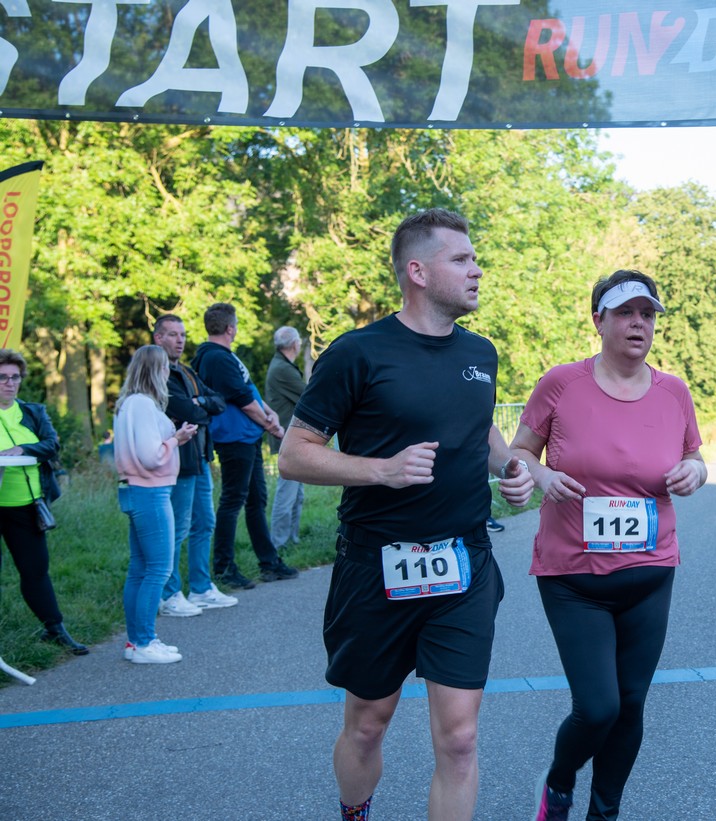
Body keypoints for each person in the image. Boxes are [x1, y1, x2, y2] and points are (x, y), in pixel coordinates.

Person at [278, 208, 533, 821]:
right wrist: (380, 469)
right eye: (461, 260)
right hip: (376, 564)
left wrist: (509, 468)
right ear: (417, 271)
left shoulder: (481, 352)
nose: (477, 270)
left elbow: (479, 427)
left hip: (463, 564)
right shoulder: (358, 353)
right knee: (368, 724)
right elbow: (293, 455)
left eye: (475, 259)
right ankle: (355, 812)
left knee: (461, 737)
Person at [509, 270, 707, 821]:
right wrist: (542, 478)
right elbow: (519, 452)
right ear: (599, 321)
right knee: (598, 708)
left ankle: (604, 812)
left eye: (647, 314)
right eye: (625, 313)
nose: (638, 324)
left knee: (631, 705)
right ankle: (559, 779)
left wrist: (697, 471)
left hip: (650, 571)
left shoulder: (674, 391)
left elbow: (694, 455)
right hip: (574, 576)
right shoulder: (561, 384)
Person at [192, 303, 298, 589]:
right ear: (229, 328)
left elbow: (248, 389)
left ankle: (269, 562)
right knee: (232, 500)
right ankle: (224, 567)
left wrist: (268, 412)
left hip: (248, 437)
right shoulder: (215, 358)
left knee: (255, 501)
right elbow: (240, 398)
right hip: (234, 438)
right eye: (236, 324)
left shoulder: (225, 356)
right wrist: (271, 424)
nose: (236, 328)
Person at [113, 345, 201, 664]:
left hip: (136, 490)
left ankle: (137, 641)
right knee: (158, 568)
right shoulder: (143, 405)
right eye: (164, 367)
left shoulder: (129, 404)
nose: (167, 373)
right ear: (154, 371)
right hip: (150, 491)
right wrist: (176, 439)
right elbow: (150, 456)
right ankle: (144, 641)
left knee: (140, 568)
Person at [0, 349, 88, 655]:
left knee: (36, 570)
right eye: (3, 377)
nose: (10, 384)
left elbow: (52, 445)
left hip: (27, 505)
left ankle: (55, 629)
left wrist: (22, 448)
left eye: (15, 377)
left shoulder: (33, 412)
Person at [152, 315, 237, 617]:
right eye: (173, 334)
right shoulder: (156, 374)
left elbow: (218, 402)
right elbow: (188, 410)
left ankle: (200, 588)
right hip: (178, 460)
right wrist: (199, 405)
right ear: (158, 338)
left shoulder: (186, 372)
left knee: (205, 522)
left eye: (183, 334)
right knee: (178, 528)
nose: (180, 340)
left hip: (200, 457)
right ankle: (169, 592)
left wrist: (199, 403)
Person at [266, 326, 307, 552]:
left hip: (288, 435)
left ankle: (291, 539)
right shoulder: (283, 369)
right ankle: (278, 543)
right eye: (299, 341)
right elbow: (308, 394)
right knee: (287, 492)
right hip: (286, 437)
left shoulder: (282, 365)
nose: (300, 345)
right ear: (294, 345)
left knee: (296, 493)